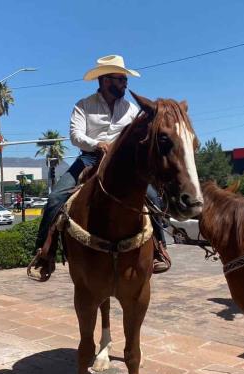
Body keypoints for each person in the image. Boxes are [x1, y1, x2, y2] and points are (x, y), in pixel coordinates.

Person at [29, 54, 172, 281]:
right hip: (90, 159)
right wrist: (98, 144)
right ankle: (43, 253)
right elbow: (76, 136)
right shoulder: (83, 105)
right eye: (121, 79)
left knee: (153, 197)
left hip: (123, 165)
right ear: (106, 81)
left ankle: (158, 249)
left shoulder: (132, 110)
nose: (125, 84)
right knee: (55, 198)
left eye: (125, 80)